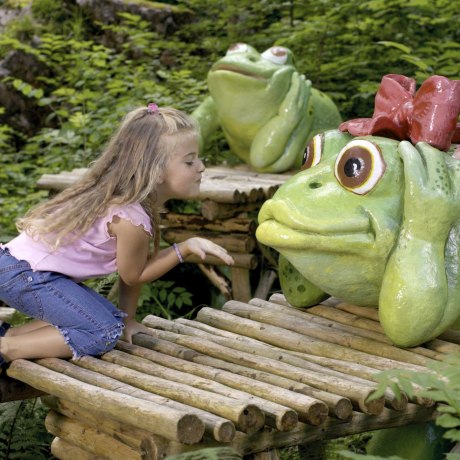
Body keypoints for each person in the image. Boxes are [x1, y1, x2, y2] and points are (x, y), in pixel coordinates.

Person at [0, 103, 234, 370]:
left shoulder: (133, 205)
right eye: (189, 161)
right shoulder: (130, 218)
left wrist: (130, 319)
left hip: (20, 269)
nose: (201, 167)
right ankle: (6, 349)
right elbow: (135, 275)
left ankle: (10, 336)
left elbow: (131, 270)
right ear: (155, 172)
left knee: (113, 318)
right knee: (104, 332)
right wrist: (184, 249)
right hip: (27, 276)